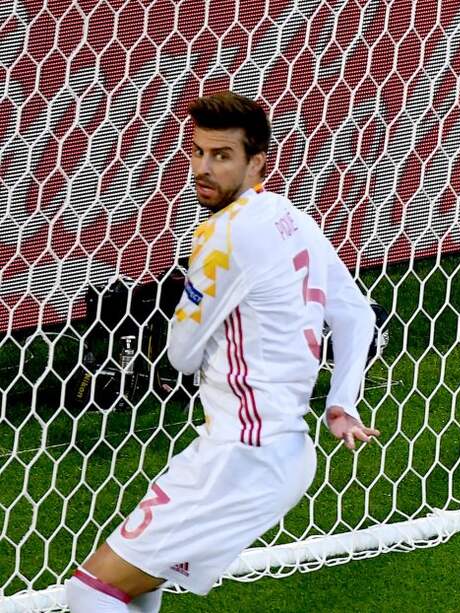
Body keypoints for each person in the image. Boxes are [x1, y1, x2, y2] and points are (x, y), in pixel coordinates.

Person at [64, 91, 380, 612]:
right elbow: (356, 315)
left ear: (257, 162)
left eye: (222, 155)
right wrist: (340, 403)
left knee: (90, 591)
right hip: (280, 452)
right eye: (196, 152)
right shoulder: (291, 216)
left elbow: (180, 358)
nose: (202, 169)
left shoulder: (222, 237)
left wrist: (201, 315)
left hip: (239, 458)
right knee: (135, 585)